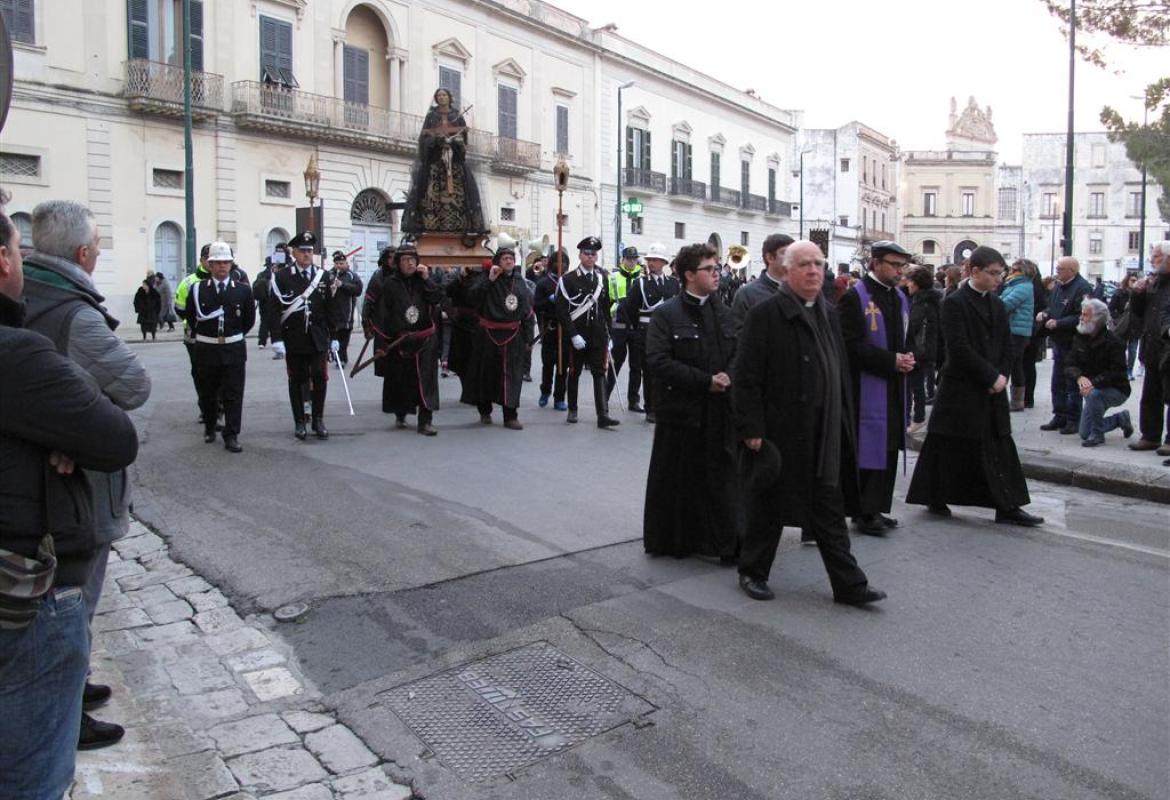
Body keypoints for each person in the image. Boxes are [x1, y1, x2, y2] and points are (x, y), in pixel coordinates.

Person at [0, 207, 140, 800]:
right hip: (28, 568)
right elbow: (123, 415)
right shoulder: (28, 343)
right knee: (34, 768)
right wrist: (63, 422)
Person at [732, 241, 886, 606]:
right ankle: (752, 571)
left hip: (825, 430)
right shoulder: (766, 314)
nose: (814, 271)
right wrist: (751, 428)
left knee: (829, 510)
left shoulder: (828, 312)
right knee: (769, 507)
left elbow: (838, 369)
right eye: (804, 264)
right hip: (781, 428)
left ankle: (849, 585)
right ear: (786, 271)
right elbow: (747, 376)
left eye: (818, 263)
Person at [906, 246, 1044, 527]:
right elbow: (959, 348)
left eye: (1001, 273)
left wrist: (1002, 375)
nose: (998, 279)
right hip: (961, 387)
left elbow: (1006, 344)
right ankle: (934, 494)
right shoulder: (955, 302)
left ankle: (1008, 505)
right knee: (946, 444)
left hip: (992, 386)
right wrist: (990, 377)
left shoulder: (996, 302)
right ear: (975, 271)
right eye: (993, 273)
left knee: (998, 444)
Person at [642, 242, 739, 560]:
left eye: (716, 267)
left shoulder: (723, 312)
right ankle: (676, 541)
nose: (716, 274)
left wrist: (727, 376)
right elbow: (658, 360)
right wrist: (704, 382)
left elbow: (738, 351)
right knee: (678, 479)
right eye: (709, 269)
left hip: (717, 412)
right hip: (681, 414)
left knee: (717, 478)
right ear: (688, 275)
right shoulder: (667, 314)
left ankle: (719, 541)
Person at [838, 240, 914, 536]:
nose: (899, 271)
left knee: (889, 446)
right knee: (869, 449)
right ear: (876, 263)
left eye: (902, 266)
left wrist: (909, 357)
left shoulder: (899, 297)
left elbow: (904, 338)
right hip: (865, 388)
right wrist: (890, 360)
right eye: (894, 265)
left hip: (893, 383)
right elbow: (850, 346)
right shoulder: (855, 298)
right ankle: (863, 511)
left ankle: (878, 507)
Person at [267, 231, 339, 440]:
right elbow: (273, 309)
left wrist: (334, 336)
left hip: (317, 338)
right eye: (302, 251)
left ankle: (318, 419)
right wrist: (277, 338)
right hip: (294, 337)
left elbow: (330, 308)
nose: (307, 255)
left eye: (309, 251)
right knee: (297, 379)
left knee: (320, 378)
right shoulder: (282, 277)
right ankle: (299, 421)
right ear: (294, 253)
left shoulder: (323, 276)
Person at [184, 242, 255, 452]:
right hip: (207, 348)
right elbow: (191, 316)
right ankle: (210, 425)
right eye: (217, 263)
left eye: (226, 262)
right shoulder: (198, 290)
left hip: (233, 348)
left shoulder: (242, 290)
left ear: (231, 264)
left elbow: (248, 320)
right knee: (208, 392)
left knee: (233, 393)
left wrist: (232, 335)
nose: (222, 267)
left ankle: (231, 434)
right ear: (210, 265)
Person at [462, 245, 535, 429]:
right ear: (497, 262)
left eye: (511, 258)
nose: (509, 261)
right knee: (486, 374)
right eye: (504, 258)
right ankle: (485, 411)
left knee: (512, 377)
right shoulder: (487, 278)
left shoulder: (520, 282)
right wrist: (489, 280)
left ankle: (510, 416)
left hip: (513, 336)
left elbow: (527, 311)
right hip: (488, 334)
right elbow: (472, 298)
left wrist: (528, 338)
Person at [378, 242, 444, 435]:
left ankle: (426, 421)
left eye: (413, 260)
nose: (410, 264)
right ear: (398, 262)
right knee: (401, 379)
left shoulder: (423, 281)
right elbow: (383, 314)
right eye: (405, 260)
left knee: (427, 380)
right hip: (401, 340)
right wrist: (383, 343)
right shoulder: (390, 284)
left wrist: (427, 279)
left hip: (424, 340)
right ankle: (401, 412)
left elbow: (437, 298)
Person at [401, 88, 486, 235]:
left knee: (459, 193)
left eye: (444, 95)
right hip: (435, 163)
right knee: (431, 192)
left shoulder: (457, 116)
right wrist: (437, 140)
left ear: (449, 98)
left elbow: (464, 140)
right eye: (438, 95)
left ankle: (459, 224)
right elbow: (424, 139)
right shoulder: (431, 116)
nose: (441, 98)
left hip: (455, 164)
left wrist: (454, 141)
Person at [555, 236, 620, 428]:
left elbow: (606, 308)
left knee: (600, 372)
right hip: (578, 333)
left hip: (598, 334)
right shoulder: (568, 279)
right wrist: (573, 334)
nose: (591, 257)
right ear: (580, 255)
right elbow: (561, 310)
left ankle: (603, 414)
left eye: (594, 254)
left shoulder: (603, 278)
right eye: (587, 254)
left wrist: (610, 335)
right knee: (574, 372)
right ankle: (573, 410)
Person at [1065, 298, 1133, 447]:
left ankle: (1098, 435)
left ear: (1097, 319)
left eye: (1085, 315)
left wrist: (1093, 383)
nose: (1081, 318)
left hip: (1116, 389)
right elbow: (1069, 363)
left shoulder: (1114, 342)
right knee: (1084, 432)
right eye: (1081, 314)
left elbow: (1116, 372)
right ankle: (1120, 419)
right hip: (1090, 389)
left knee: (1095, 394)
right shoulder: (1080, 338)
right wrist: (1079, 377)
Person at [1036, 256, 1092, 435]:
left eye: (1061, 269)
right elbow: (1052, 307)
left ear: (1072, 271)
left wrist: (1059, 323)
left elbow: (1083, 315)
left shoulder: (1083, 288)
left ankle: (1073, 419)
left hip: (1074, 342)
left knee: (1072, 382)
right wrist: (1045, 313)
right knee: (1057, 381)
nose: (1057, 271)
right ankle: (1059, 415)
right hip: (1059, 341)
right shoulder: (1059, 286)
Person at [625, 242, 680, 424]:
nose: (651, 263)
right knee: (649, 372)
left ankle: (664, 404)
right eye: (649, 260)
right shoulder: (640, 283)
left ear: (664, 262)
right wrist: (636, 329)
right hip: (645, 331)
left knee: (667, 372)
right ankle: (651, 408)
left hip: (667, 333)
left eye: (655, 260)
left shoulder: (673, 284)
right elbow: (630, 308)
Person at [1128, 243, 1170, 455]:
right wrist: (1136, 294)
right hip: (1152, 346)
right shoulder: (1153, 283)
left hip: (1167, 349)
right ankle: (1150, 436)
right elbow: (1138, 313)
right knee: (1150, 394)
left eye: (1157, 256)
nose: (1152, 260)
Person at [606, 246, 645, 412]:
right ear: (623, 259)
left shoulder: (643, 278)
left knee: (636, 366)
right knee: (615, 364)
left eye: (634, 259)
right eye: (628, 259)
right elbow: (606, 302)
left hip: (636, 327)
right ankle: (604, 397)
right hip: (619, 327)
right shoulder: (613, 277)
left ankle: (633, 400)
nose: (631, 261)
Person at [903, 265, 941, 434]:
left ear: (917, 284)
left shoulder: (922, 302)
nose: (907, 284)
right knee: (916, 385)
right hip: (925, 349)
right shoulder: (929, 300)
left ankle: (917, 418)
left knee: (915, 386)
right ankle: (916, 417)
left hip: (919, 350)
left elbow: (913, 327)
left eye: (910, 281)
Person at [533, 248, 569, 410]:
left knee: (562, 366)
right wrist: (549, 301)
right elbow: (536, 306)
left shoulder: (569, 282)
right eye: (558, 261)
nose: (561, 265)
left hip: (565, 330)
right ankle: (545, 391)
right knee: (548, 365)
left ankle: (559, 397)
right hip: (549, 329)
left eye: (564, 262)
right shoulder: (543, 283)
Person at [730, 234, 793, 324]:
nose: (791, 258)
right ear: (770, 258)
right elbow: (737, 333)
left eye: (792, 254)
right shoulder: (746, 294)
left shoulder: (800, 291)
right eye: (785, 253)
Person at [1000, 259, 1035, 411]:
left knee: (1009, 364)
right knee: (1015, 365)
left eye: (1015, 269)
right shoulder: (1015, 284)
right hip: (1015, 330)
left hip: (1016, 331)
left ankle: (1012, 400)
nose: (1011, 272)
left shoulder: (1024, 286)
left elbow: (1006, 304)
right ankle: (1016, 401)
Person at [1020, 261, 1050, 409]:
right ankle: (1026, 397)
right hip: (1031, 331)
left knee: (1026, 364)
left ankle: (1026, 397)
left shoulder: (1031, 287)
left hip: (1029, 332)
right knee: (1027, 365)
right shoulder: (1037, 287)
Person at [328, 249, 364, 367]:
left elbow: (358, 290)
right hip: (332, 312)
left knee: (343, 338)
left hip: (346, 313)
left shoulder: (351, 275)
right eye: (337, 264)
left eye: (341, 263)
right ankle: (335, 356)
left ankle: (342, 358)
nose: (339, 266)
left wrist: (342, 285)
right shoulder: (329, 274)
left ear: (346, 263)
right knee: (333, 337)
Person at [1109, 273, 1141, 381]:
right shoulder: (1119, 293)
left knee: (1133, 351)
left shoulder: (1139, 294)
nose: (1134, 282)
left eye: (1136, 280)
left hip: (1135, 326)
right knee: (1121, 349)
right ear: (1127, 281)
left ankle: (1129, 371)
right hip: (1122, 327)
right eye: (1132, 280)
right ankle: (1121, 371)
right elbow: (1111, 308)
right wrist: (1118, 318)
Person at [133, 275, 161, 340]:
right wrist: (138, 309)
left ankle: (153, 337)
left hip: (152, 312)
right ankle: (144, 337)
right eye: (142, 284)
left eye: (144, 284)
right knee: (143, 326)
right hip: (143, 313)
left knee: (153, 325)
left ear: (148, 285)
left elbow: (158, 302)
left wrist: (157, 311)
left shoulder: (154, 292)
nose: (143, 286)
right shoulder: (140, 292)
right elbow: (135, 301)